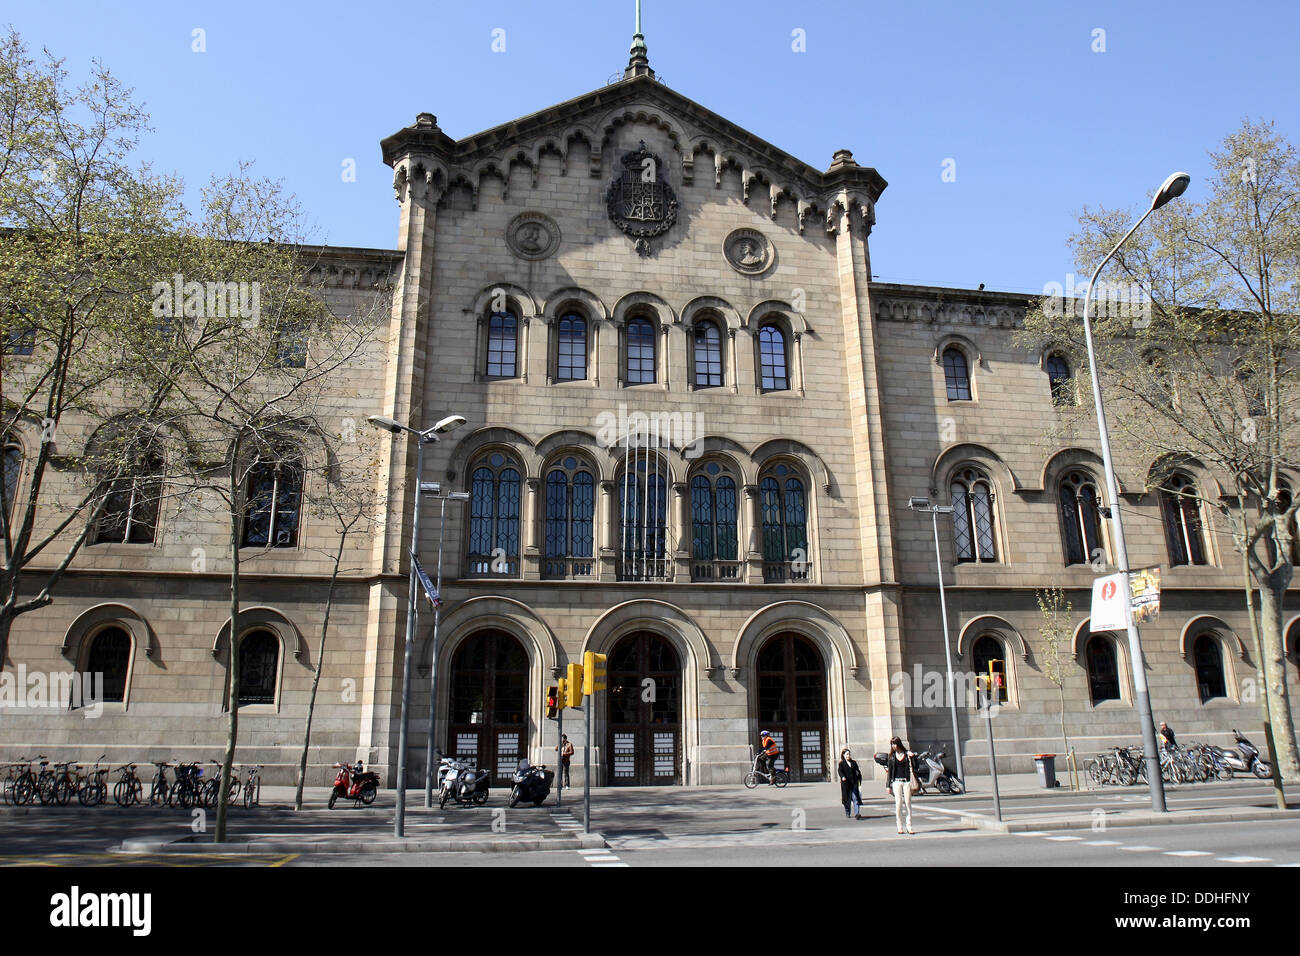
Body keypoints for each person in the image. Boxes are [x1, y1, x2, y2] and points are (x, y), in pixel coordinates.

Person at [885, 736, 918, 835]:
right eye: (892, 744)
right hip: (896, 782)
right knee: (898, 804)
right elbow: (890, 772)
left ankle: (909, 826)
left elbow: (916, 766)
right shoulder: (892, 757)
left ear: (898, 744)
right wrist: (888, 785)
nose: (893, 746)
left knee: (908, 804)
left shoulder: (907, 754)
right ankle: (899, 826)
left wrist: (913, 757)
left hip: (906, 782)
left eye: (894, 744)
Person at [838, 748, 863, 819]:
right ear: (843, 755)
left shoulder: (853, 762)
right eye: (847, 754)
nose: (848, 756)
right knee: (847, 799)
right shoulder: (841, 764)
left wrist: (858, 775)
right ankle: (847, 812)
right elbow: (840, 771)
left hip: (854, 783)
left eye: (849, 754)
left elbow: (857, 770)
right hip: (846, 784)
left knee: (855, 798)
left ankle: (857, 813)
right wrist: (842, 777)